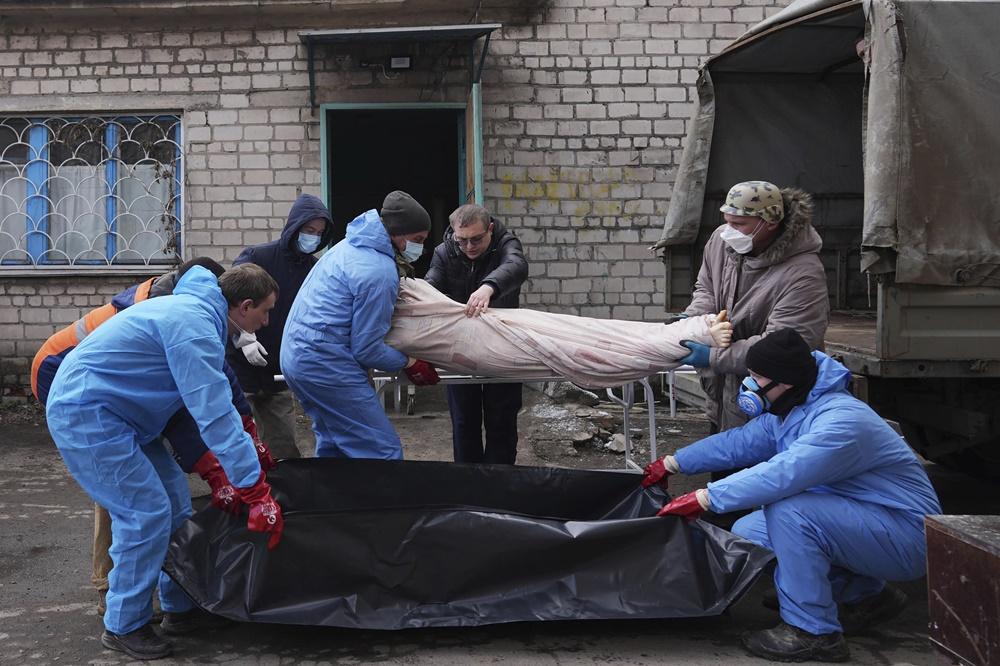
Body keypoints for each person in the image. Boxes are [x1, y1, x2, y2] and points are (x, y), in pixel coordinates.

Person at [642, 329, 941, 663]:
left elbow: (783, 474)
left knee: (789, 510)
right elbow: (739, 442)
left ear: (785, 380)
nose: (749, 385)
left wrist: (705, 498)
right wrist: (673, 462)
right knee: (750, 532)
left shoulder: (841, 422)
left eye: (756, 377)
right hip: (867, 522)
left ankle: (813, 632)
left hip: (907, 535)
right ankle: (865, 596)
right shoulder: (796, 409)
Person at [45, 264, 285, 661]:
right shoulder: (192, 326)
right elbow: (215, 415)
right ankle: (124, 625)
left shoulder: (195, 315)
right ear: (244, 307)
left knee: (176, 507)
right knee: (146, 513)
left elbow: (214, 398)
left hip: (126, 418)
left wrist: (245, 461)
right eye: (266, 311)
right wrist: (254, 490)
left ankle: (181, 609)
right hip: (88, 414)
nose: (268, 319)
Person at [281, 190, 441, 460]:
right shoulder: (378, 271)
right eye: (417, 240)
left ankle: (332, 501)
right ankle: (383, 503)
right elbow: (366, 349)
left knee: (334, 442)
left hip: (297, 358)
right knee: (382, 451)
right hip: (325, 364)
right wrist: (410, 362)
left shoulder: (348, 247)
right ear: (397, 234)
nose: (420, 248)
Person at [679, 181, 829, 435]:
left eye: (738, 224)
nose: (729, 231)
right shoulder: (721, 241)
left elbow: (785, 345)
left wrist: (713, 357)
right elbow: (706, 287)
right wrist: (694, 320)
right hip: (723, 392)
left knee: (758, 466)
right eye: (727, 221)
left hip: (773, 401)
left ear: (770, 221)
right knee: (724, 457)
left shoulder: (803, 274)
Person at [230, 193, 336, 459]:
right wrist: (245, 338)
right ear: (294, 227)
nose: (313, 236)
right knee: (239, 445)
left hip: (277, 373)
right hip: (240, 370)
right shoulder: (258, 257)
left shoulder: (314, 269)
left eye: (319, 232)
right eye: (308, 230)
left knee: (284, 449)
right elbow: (229, 296)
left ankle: (280, 498)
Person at [424, 204, 528, 464]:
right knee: (463, 420)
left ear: (490, 229)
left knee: (502, 418)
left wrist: (489, 287)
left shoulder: (506, 243)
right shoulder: (445, 251)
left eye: (476, 239)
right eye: (462, 240)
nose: (469, 247)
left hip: (502, 343)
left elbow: (516, 266)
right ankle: (469, 483)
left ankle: (500, 482)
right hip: (460, 346)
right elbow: (432, 282)